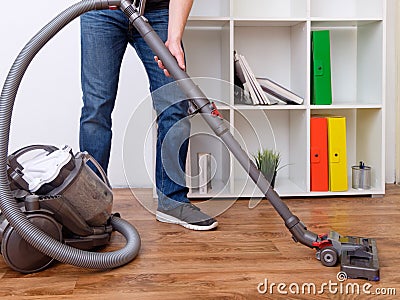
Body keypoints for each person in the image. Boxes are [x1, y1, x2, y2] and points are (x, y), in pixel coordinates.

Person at [79, 0, 218, 230]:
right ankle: (91, 207)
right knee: (96, 107)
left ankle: (172, 202)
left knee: (174, 105)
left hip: (159, 12)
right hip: (103, 11)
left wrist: (173, 39)